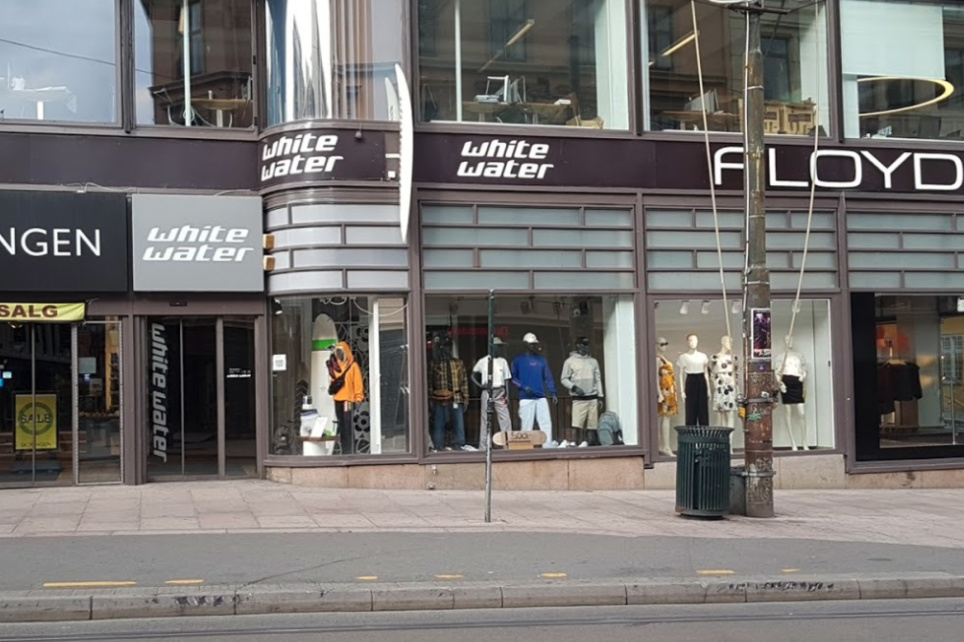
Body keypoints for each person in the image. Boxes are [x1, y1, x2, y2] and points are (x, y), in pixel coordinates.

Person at [429, 333, 474, 452]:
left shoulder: (458, 363)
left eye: (448, 347)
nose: (446, 349)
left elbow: (464, 381)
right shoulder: (435, 363)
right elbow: (430, 382)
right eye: (443, 347)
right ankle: (438, 445)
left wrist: (466, 399)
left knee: (458, 423)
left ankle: (459, 444)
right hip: (439, 399)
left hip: (456, 397)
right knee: (439, 423)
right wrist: (430, 400)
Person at [511, 333, 558, 446]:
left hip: (540, 396)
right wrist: (523, 387)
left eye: (534, 344)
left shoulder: (542, 360)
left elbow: (548, 377)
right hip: (525, 397)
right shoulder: (518, 360)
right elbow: (513, 378)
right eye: (531, 344)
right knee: (527, 424)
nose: (533, 346)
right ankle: (525, 446)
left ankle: (547, 446)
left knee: (546, 423)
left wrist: (553, 392)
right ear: (525, 344)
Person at [560, 336, 603, 448]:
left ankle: (589, 444)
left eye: (587, 344)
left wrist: (600, 396)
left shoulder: (593, 361)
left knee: (592, 425)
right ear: (578, 345)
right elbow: (564, 379)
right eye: (584, 344)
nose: (586, 347)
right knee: (577, 423)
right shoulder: (570, 361)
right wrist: (574, 388)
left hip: (592, 397)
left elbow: (598, 379)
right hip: (578, 398)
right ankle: (574, 443)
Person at [471, 337, 512, 450]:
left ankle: (507, 445)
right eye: (497, 346)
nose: (499, 349)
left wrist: (507, 395)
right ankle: (484, 447)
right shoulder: (484, 361)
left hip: (500, 391)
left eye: (500, 347)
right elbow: (473, 375)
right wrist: (480, 386)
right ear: (492, 347)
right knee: (485, 419)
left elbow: (507, 379)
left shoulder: (503, 361)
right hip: (487, 391)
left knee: (505, 418)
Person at [328, 341, 364, 455]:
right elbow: (333, 381)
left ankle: (351, 451)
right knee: (342, 426)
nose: (339, 354)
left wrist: (358, 398)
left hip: (348, 400)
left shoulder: (353, 366)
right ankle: (345, 450)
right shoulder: (336, 366)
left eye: (341, 352)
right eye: (337, 352)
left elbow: (358, 383)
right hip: (338, 400)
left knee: (348, 425)